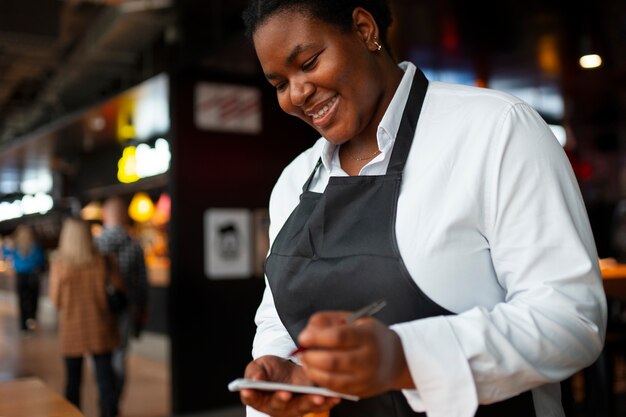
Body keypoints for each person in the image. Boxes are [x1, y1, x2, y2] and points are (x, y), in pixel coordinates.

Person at [238, 1, 608, 416]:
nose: (297, 93)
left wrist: (404, 360)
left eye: (308, 62)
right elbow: (278, 323)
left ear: (363, 29)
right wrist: (281, 376)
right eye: (279, 84)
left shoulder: (496, 129)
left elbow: (571, 319)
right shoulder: (294, 180)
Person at [49, 217, 123, 417]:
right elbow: (118, 289)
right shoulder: (104, 261)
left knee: (73, 382)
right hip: (101, 327)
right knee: (105, 381)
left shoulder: (59, 265)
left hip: (71, 330)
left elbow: (55, 300)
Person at [95, 196, 149, 414]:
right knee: (119, 355)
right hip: (125, 308)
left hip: (99, 310)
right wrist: (142, 310)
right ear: (124, 216)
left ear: (105, 216)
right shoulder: (134, 245)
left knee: (99, 356)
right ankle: (113, 403)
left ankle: (105, 399)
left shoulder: (96, 245)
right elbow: (142, 283)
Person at [8, 224, 45, 332]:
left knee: (22, 300)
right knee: (33, 299)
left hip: (21, 277)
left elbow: (9, 257)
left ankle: (23, 325)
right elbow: (40, 260)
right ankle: (31, 320)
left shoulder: (15, 246)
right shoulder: (35, 245)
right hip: (33, 276)